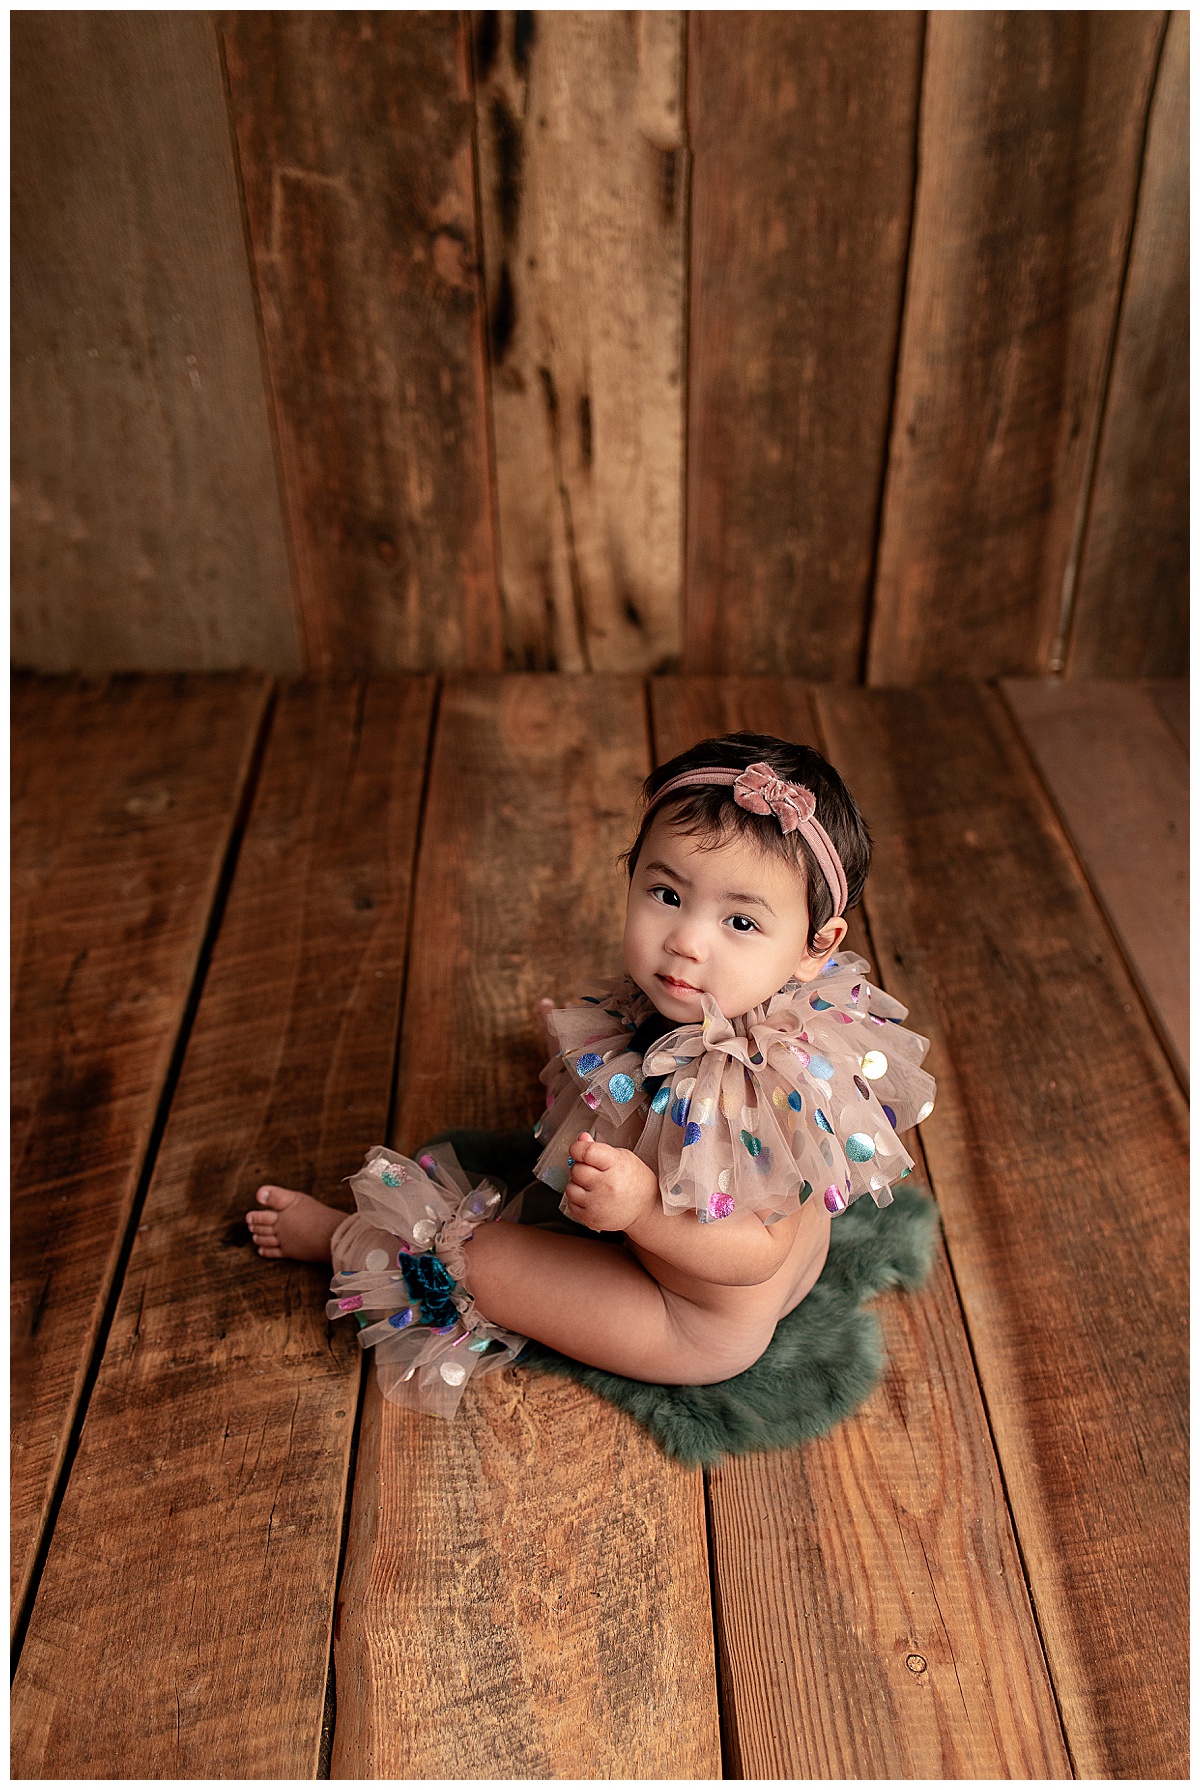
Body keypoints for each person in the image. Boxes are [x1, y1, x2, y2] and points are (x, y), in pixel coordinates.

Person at [247, 733, 935, 1418]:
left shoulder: (774, 1083)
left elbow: (755, 1253)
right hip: (696, 1266)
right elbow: (649, 1050)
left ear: (817, 948)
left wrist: (639, 1212)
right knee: (615, 1080)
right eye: (666, 893)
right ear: (631, 872)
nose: (687, 941)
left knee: (480, 1262)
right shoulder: (708, 1002)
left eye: (739, 920)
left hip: (695, 1316)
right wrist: (589, 1054)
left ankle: (344, 1242)